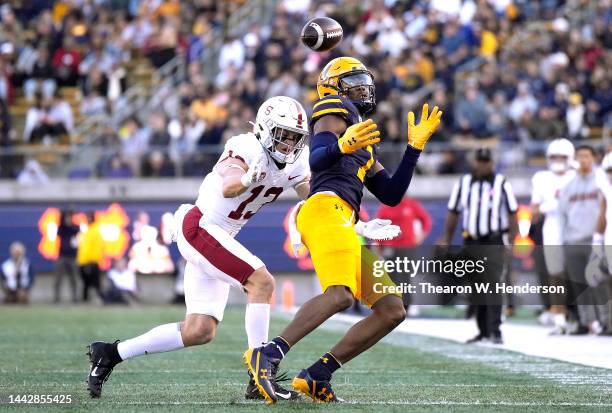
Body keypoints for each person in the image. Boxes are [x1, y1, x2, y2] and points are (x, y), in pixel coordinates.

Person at [85, 96, 312, 400]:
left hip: (220, 236)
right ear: (265, 129)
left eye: (295, 137)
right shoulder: (246, 146)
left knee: (199, 330)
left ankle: (109, 353)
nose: (289, 144)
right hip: (200, 226)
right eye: (283, 135)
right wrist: (247, 178)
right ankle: (259, 376)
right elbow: (230, 185)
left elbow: (309, 193)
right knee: (262, 282)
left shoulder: (297, 157)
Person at [246, 57, 441, 404]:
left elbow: (392, 194)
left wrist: (413, 150)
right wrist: (341, 144)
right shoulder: (333, 109)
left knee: (391, 308)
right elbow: (318, 157)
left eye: (363, 80)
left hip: (344, 220)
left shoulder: (362, 137)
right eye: (353, 81)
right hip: (324, 209)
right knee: (340, 295)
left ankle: (318, 374)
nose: (362, 87)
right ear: (332, 86)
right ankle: (269, 353)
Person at [441, 148, 518, 344]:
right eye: (480, 161)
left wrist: (510, 241)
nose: (483, 165)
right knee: (476, 288)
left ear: (492, 163)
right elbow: (453, 212)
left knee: (493, 286)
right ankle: (483, 331)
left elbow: (512, 213)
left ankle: (496, 330)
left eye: (486, 161)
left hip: (493, 240)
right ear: (475, 162)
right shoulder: (464, 183)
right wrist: (446, 238)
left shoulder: (501, 183)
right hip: (472, 241)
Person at [558, 145, 605, 334]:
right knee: (580, 285)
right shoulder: (569, 186)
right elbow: (562, 215)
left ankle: (606, 321)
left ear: (593, 157)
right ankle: (585, 322)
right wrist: (563, 240)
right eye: (580, 156)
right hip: (573, 240)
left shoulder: (601, 182)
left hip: (594, 239)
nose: (583, 159)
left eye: (587, 155)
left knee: (599, 283)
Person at [529, 139, 575, 326]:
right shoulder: (541, 178)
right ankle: (558, 311)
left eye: (562, 156)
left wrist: (550, 206)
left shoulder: (576, 175)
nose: (558, 160)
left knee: (578, 271)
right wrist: (555, 205)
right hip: (552, 226)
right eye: (554, 156)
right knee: (555, 272)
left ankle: (580, 314)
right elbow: (534, 209)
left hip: (575, 226)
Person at [589, 152, 612, 335]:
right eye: (609, 171)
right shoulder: (606, 188)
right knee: (600, 278)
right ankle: (607, 322)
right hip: (609, 240)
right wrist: (598, 239)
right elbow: (603, 213)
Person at [77, 212, 105, 303]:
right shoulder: (86, 231)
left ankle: (100, 299)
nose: (88, 220)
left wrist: (92, 260)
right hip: (83, 261)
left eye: (90, 218)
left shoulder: (96, 231)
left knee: (96, 282)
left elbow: (97, 247)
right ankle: (85, 300)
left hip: (92, 262)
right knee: (85, 283)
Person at [54, 209, 80, 303]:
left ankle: (75, 297)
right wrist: (63, 223)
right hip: (62, 256)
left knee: (74, 278)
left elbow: (77, 231)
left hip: (72, 256)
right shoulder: (61, 227)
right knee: (58, 278)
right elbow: (58, 233)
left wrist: (70, 224)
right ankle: (57, 297)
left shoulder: (75, 227)